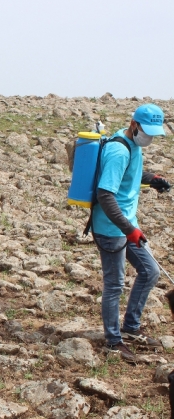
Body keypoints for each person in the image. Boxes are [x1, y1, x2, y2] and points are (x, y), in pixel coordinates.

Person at [93, 103, 170, 363]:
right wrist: (129, 230)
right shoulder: (118, 150)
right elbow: (105, 194)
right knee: (114, 284)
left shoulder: (132, 144)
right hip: (111, 228)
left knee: (150, 271)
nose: (149, 137)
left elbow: (130, 175)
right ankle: (113, 342)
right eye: (146, 131)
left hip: (127, 225)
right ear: (134, 124)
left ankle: (131, 326)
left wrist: (152, 178)